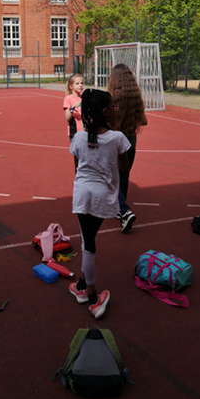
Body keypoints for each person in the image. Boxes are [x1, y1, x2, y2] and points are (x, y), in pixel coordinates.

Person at [69, 89, 130, 319]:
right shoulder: (117, 138)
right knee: (89, 244)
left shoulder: (79, 137)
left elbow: (78, 167)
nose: (116, 110)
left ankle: (82, 286)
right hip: (102, 196)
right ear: (105, 112)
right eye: (114, 107)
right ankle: (93, 299)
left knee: (87, 241)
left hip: (83, 194)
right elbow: (124, 168)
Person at [107, 64, 148, 233]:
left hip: (114, 143)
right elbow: (143, 121)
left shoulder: (111, 98)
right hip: (130, 142)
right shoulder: (135, 98)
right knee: (123, 176)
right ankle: (120, 208)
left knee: (111, 178)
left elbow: (107, 121)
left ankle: (124, 209)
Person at [63, 74, 84, 142]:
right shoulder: (68, 99)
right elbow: (67, 118)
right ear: (71, 86)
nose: (80, 85)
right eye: (77, 83)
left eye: (81, 83)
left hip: (85, 131)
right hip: (75, 132)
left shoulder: (84, 98)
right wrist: (72, 107)